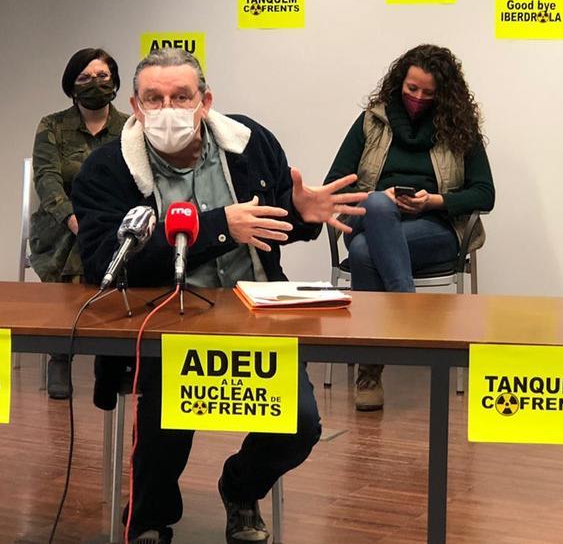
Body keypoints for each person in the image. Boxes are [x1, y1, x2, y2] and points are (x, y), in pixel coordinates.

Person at [71, 48, 366, 544]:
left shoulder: (249, 144)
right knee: (165, 414)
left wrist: (300, 215)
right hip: (165, 316)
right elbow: (105, 262)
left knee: (301, 425)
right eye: (154, 99)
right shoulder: (107, 169)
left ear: (205, 101)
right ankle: (149, 516)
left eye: (181, 96)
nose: (169, 109)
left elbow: (270, 224)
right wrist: (218, 227)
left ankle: (240, 487)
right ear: (136, 107)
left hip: (258, 314)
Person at [325, 44, 495, 411]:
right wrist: (379, 196)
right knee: (376, 204)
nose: (418, 98)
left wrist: (433, 201)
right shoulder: (372, 121)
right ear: (399, 82)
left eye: (428, 93)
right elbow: (335, 182)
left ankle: (371, 369)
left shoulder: (460, 129)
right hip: (375, 219)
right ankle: (410, 317)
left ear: (444, 95)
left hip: (434, 229)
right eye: (411, 88)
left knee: (362, 252)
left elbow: (485, 194)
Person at [29, 47, 130, 399]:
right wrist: (73, 219)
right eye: (85, 78)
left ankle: (112, 355)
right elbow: (46, 179)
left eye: (102, 77)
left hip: (113, 218)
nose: (95, 84)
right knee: (78, 251)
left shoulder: (131, 127)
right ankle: (61, 352)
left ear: (115, 81)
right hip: (60, 223)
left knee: (116, 246)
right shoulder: (52, 125)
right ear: (71, 86)